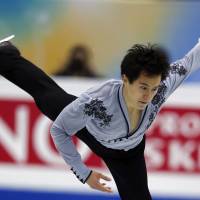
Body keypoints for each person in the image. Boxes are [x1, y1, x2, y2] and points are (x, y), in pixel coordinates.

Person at [0, 38, 200, 200]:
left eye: (154, 88)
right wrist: (83, 172)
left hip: (131, 154)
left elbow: (190, 61)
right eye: (143, 87)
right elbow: (59, 130)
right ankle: (6, 55)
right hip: (91, 132)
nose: (148, 96)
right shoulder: (97, 100)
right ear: (125, 79)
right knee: (46, 96)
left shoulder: (161, 88)